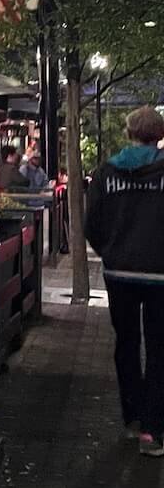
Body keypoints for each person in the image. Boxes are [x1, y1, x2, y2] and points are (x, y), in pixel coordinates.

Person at [83, 106, 164, 456]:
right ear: (158, 135)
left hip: (119, 273)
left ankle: (132, 414)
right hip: (160, 272)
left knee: (126, 343)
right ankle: (153, 428)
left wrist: (110, 252)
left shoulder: (106, 171)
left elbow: (92, 223)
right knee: (160, 349)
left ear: (129, 133)